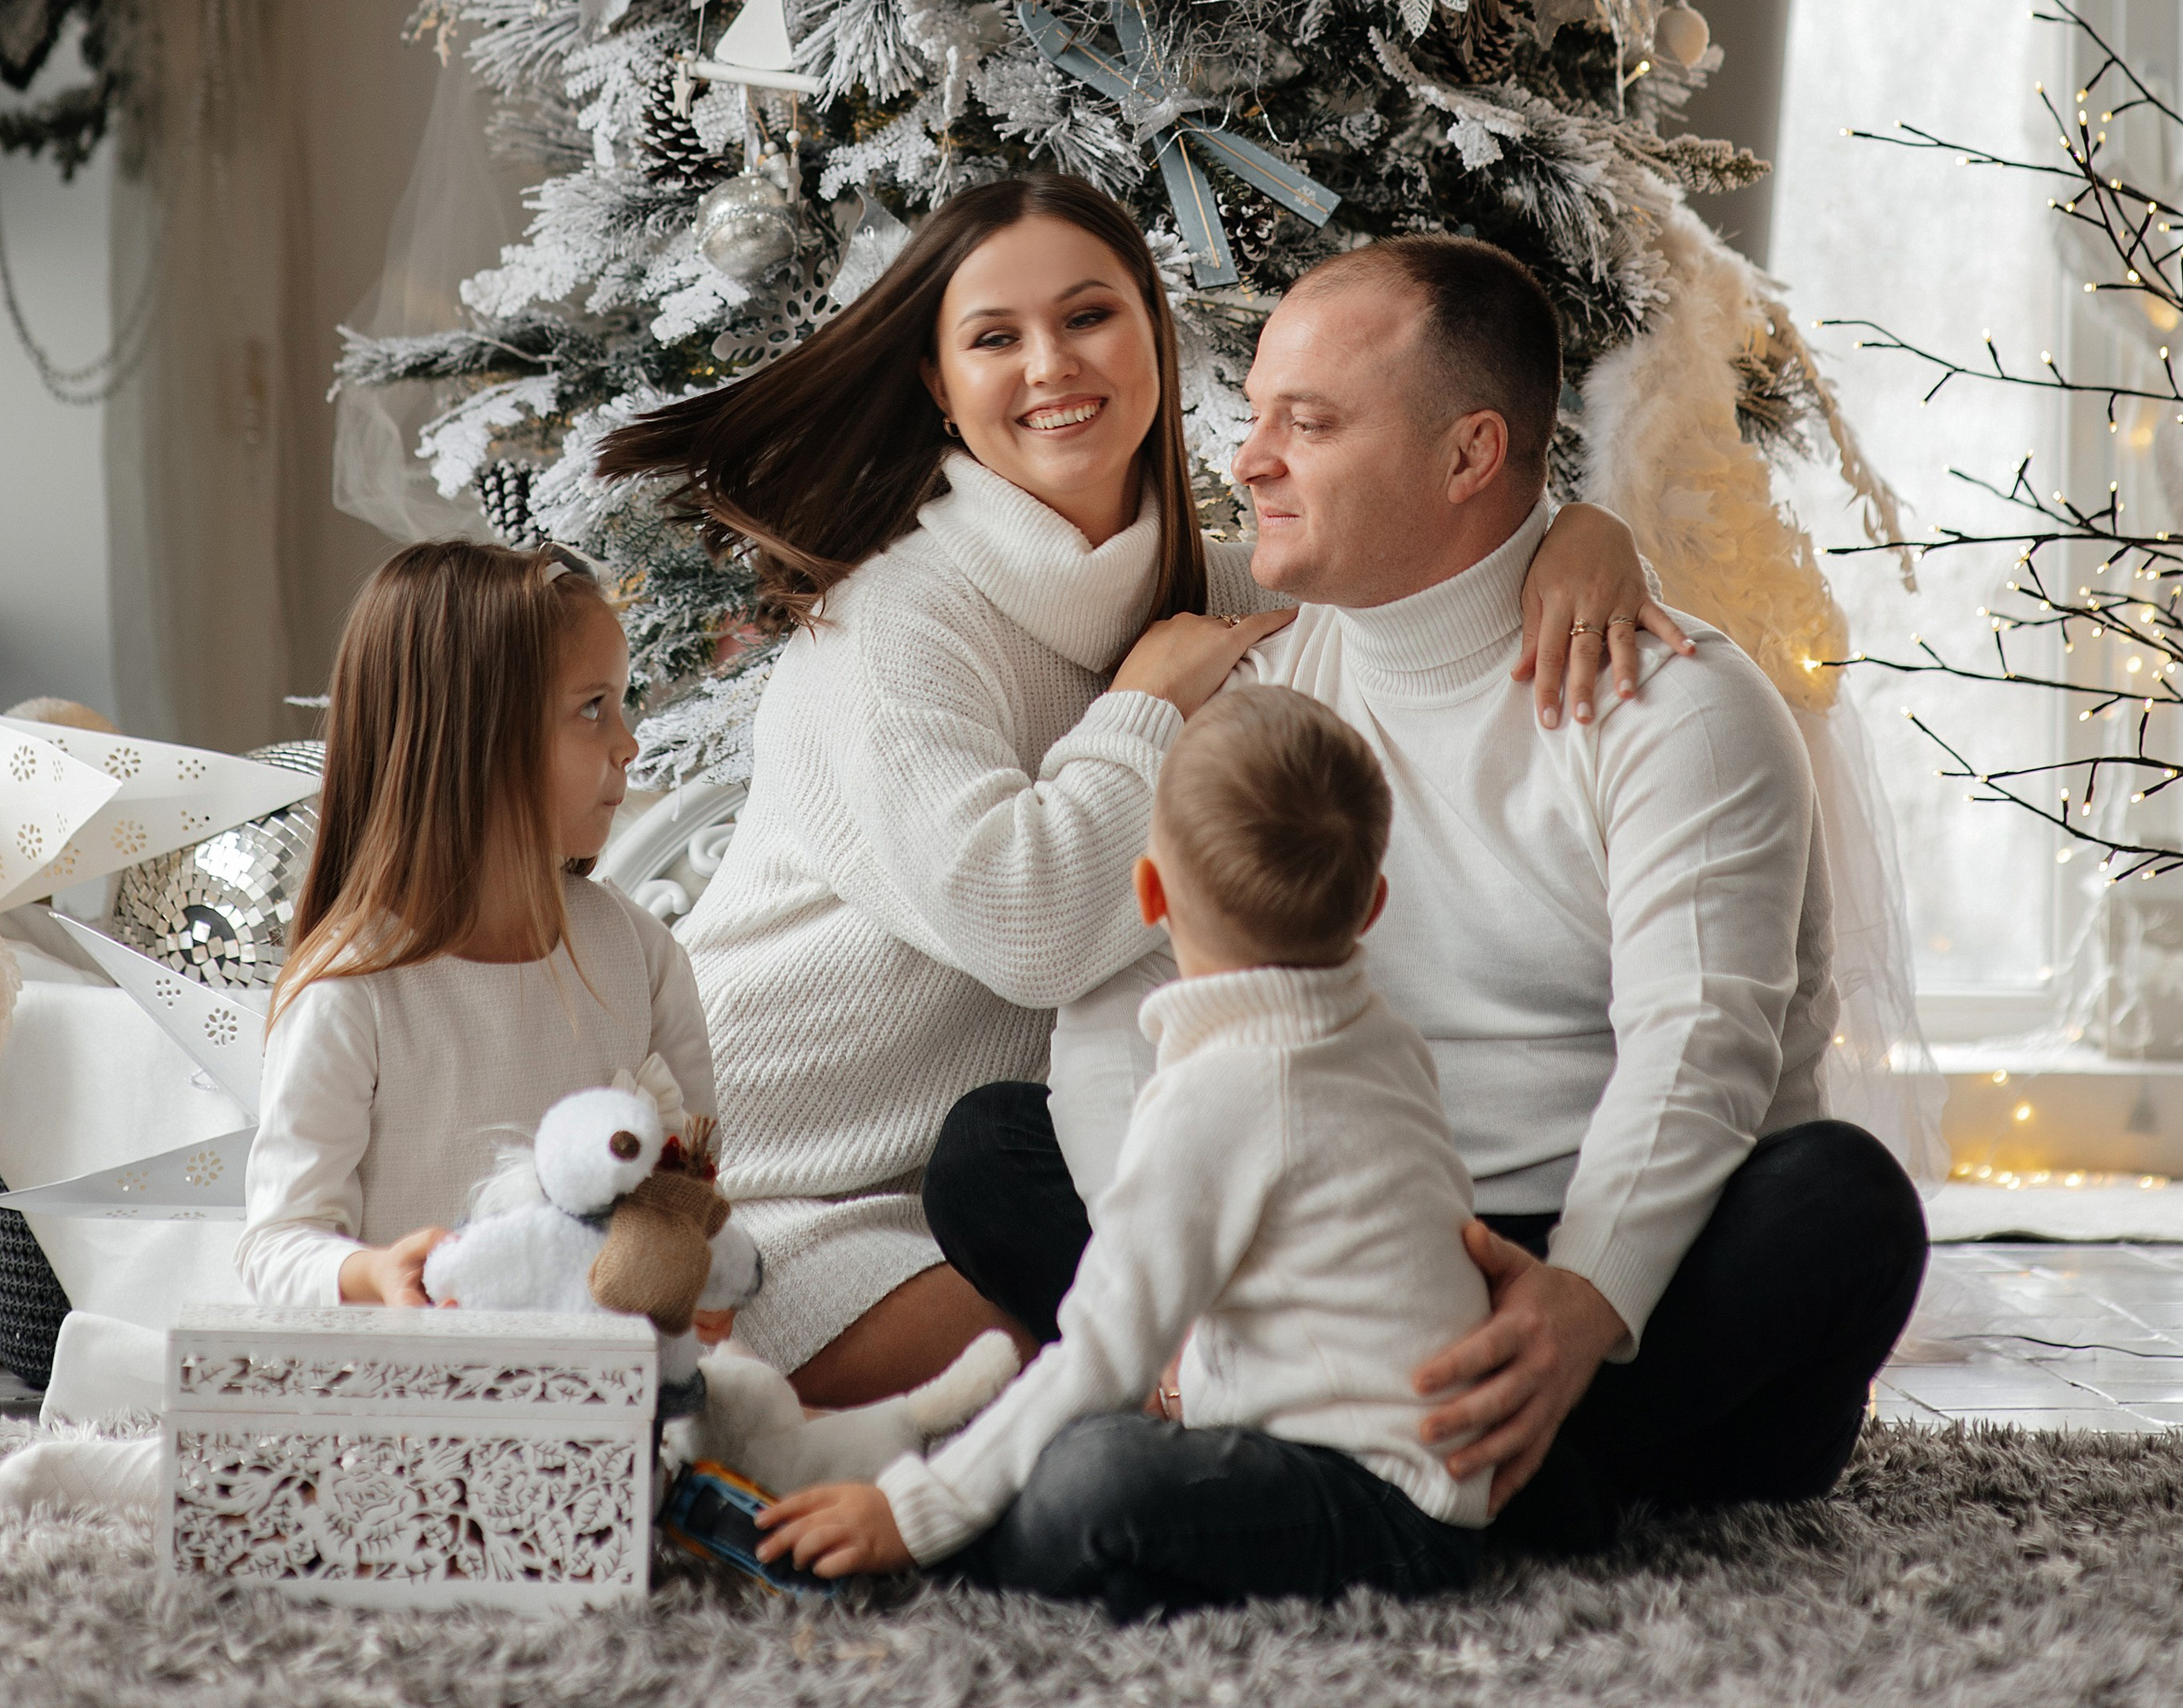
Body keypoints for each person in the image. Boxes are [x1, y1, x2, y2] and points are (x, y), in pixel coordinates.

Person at [596, 173, 1659, 1404]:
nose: (1051, 364)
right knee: (1194, 1359)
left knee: (1265, 1321)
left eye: (1089, 315)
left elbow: (1425, 570)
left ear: (1155, 335)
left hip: (972, 1183)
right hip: (758, 1190)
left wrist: (1580, 533)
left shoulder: (1224, 588)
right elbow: (1031, 929)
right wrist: (1142, 707)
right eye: (995, 337)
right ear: (940, 384)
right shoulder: (891, 626)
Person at [925, 237, 1929, 1538]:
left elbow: (1701, 1048)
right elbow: (1123, 1007)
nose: (1249, 460)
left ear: (1469, 457)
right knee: (992, 1151)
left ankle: (1428, 1465)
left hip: (1603, 1257)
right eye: (1257, 416)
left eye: (1309, 424)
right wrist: (1164, 1301)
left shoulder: (1677, 706)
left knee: (1841, 1200)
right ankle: (1501, 1490)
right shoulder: (1261, 681)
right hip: (1346, 1254)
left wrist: (1580, 1304)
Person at [756, 683, 1493, 1620]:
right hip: (1413, 1469)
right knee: (1083, 1418)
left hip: (1375, 1501)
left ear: (1148, 894)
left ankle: (943, 1538)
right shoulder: (1379, 1036)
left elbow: (1106, 1348)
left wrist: (915, 1509)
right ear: (1373, 904)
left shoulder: (1222, 1091)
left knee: (1089, 1473)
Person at [237, 537, 716, 1309]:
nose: (629, 743)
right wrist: (373, 1273)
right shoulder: (351, 992)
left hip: (603, 1362)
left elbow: (690, 1185)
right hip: (420, 1372)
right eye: (593, 708)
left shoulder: (641, 955)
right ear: (475, 739)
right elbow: (277, 1245)